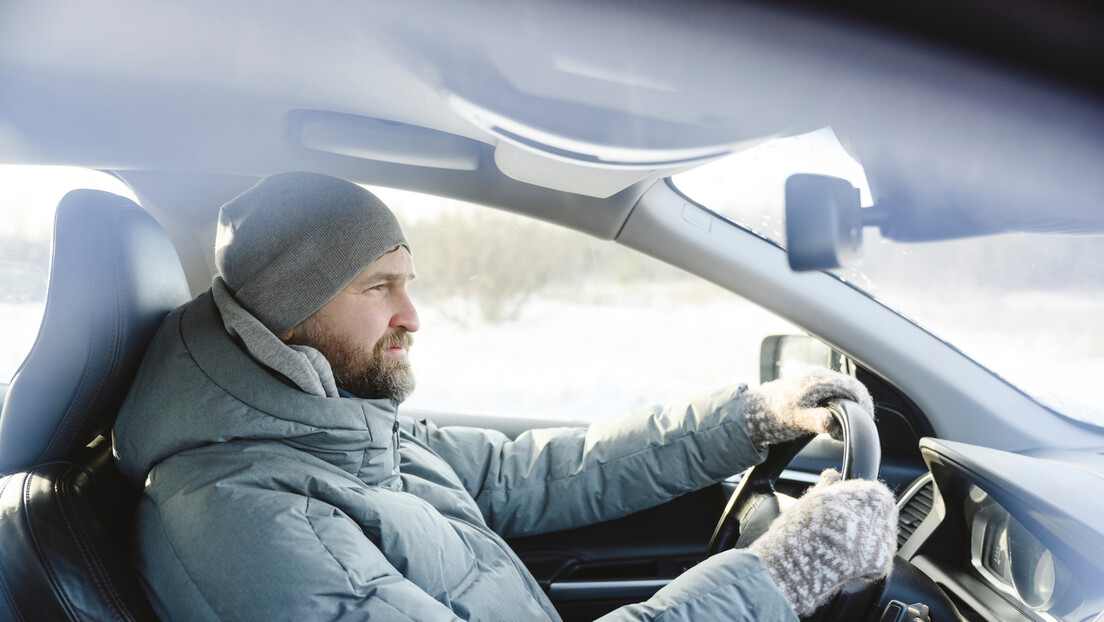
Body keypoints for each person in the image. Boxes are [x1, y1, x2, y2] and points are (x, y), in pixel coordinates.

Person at [112, 172, 898, 621]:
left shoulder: (333, 426)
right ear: (288, 314)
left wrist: (747, 418)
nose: (411, 317)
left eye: (407, 283)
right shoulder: (243, 515)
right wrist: (776, 578)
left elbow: (539, 472)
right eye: (377, 287)